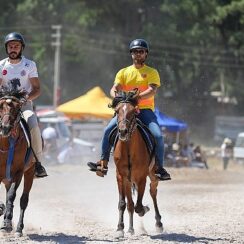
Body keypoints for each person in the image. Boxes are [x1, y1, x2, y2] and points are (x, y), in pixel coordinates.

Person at [88, 38, 171, 181]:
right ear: (131, 54)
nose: (138, 54)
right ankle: (103, 163)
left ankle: (159, 168)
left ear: (146, 54)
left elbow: (152, 90)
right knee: (108, 130)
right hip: (125, 110)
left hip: (144, 110)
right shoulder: (123, 72)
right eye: (135, 52)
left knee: (157, 135)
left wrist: (137, 98)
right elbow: (115, 88)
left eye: (141, 51)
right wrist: (116, 97)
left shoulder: (152, 72)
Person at [0, 32, 47, 178]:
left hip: (23, 105)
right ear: (6, 48)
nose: (13, 49)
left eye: (16, 46)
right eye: (10, 46)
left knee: (33, 125)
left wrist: (26, 99)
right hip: (4, 106)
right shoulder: (1, 65)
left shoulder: (29, 65)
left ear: (21, 48)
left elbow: (37, 89)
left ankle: (38, 163)